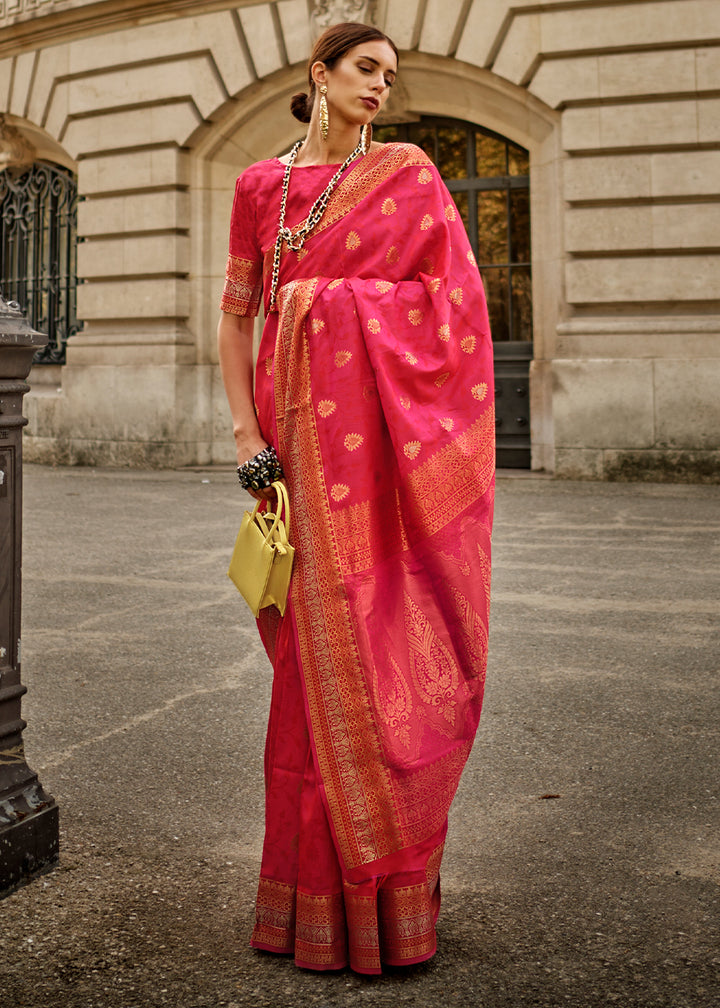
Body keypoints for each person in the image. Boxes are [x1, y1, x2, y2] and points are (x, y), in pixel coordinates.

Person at [217, 21, 495, 975]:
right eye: (366, 70)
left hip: (382, 466)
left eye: (391, 76)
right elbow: (238, 317)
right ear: (320, 75)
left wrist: (328, 306)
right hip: (291, 456)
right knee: (305, 674)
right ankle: (309, 906)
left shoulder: (411, 175)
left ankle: (388, 898)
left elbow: (455, 310)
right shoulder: (261, 187)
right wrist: (249, 439)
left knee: (383, 667)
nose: (382, 87)